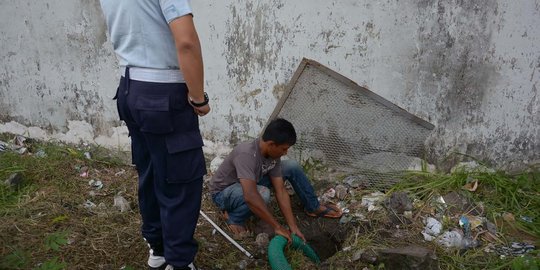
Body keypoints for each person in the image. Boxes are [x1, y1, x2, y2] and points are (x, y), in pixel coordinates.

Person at [99, 1, 209, 269]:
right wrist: (198, 97)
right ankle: (180, 261)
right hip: (162, 93)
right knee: (180, 180)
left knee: (151, 172)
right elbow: (186, 42)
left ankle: (158, 248)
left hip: (129, 87)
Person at [209, 118, 342, 242]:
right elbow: (250, 195)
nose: (285, 153)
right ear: (271, 144)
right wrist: (277, 226)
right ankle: (234, 218)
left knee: (291, 166)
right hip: (223, 193)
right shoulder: (247, 154)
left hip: (249, 182)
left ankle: (313, 207)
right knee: (262, 193)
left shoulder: (272, 154)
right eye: (284, 149)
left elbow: (280, 190)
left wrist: (293, 226)